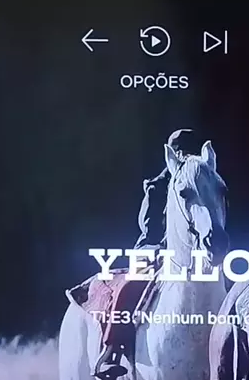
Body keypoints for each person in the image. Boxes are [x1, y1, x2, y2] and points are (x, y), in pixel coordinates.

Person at [94, 128, 205, 380]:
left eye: (193, 152)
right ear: (175, 154)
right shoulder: (157, 187)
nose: (188, 157)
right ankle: (111, 352)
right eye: (184, 152)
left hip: (195, 253)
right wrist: (166, 248)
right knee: (129, 286)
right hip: (152, 250)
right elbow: (148, 228)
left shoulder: (204, 182)